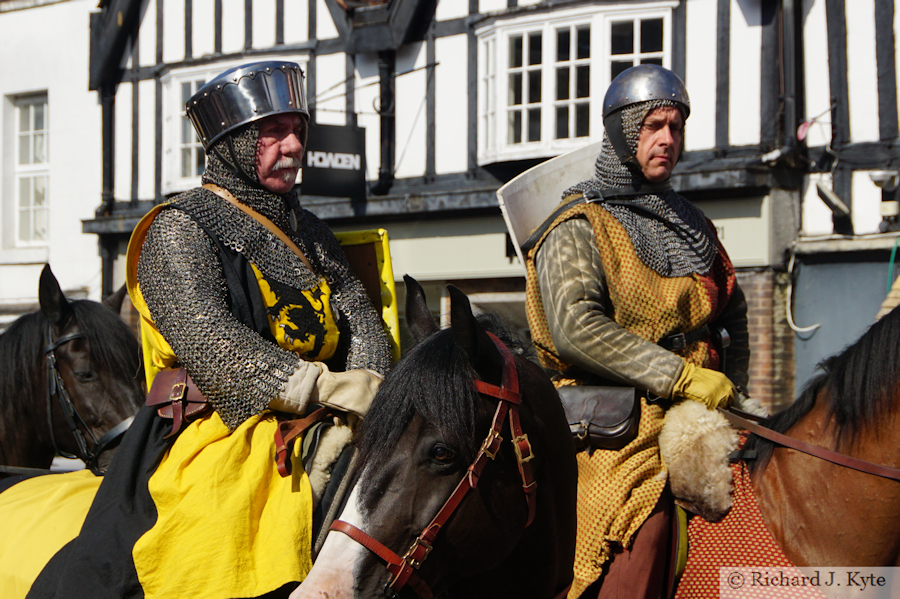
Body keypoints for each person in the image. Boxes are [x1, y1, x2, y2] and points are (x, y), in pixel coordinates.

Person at [0, 61, 392, 599]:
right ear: (233, 142)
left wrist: (373, 382)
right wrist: (320, 387)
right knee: (179, 559)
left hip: (330, 415)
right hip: (213, 429)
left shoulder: (314, 234)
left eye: (298, 129)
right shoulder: (180, 229)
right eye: (274, 132)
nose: (294, 145)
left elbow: (361, 318)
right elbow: (213, 343)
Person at [523, 64, 749, 599]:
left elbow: (732, 310)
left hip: (700, 407)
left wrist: (733, 390)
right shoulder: (577, 222)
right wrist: (680, 378)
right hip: (611, 419)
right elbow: (577, 326)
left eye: (676, 127)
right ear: (623, 132)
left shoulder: (693, 224)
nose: (667, 140)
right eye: (653, 127)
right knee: (639, 527)